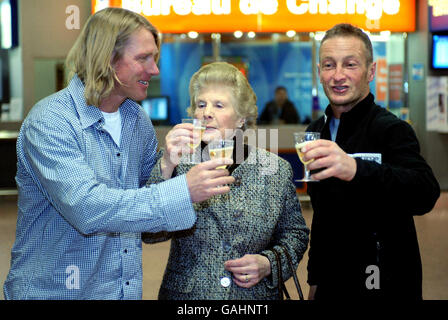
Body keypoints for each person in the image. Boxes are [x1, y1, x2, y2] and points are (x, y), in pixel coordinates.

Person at [3, 8, 234, 300]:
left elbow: (146, 217)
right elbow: (88, 208)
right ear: (107, 59)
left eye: (155, 58)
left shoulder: (136, 120)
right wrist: (182, 191)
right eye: (143, 58)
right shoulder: (51, 121)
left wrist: (165, 165)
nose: (155, 70)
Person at [142, 62, 309, 300]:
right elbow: (149, 233)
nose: (206, 112)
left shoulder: (275, 170)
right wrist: (167, 164)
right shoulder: (176, 163)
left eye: (219, 105)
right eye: (201, 104)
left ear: (241, 118)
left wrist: (268, 263)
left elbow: (295, 234)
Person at [301, 23, 440, 300]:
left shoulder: (391, 129)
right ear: (319, 73)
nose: (338, 76)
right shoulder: (315, 131)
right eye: (329, 65)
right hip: (332, 281)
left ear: (371, 71)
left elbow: (425, 192)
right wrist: (315, 277)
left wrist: (355, 169)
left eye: (350, 64)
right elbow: (322, 215)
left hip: (383, 279)